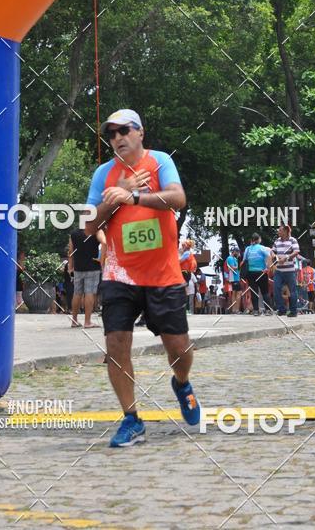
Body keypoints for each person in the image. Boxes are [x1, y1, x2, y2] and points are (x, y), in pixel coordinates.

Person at [84, 108, 200, 447]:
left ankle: (181, 382)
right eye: (111, 133)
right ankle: (131, 418)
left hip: (162, 274)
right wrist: (117, 195)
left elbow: (178, 199)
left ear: (140, 133)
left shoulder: (160, 161)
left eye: (124, 130)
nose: (117, 137)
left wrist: (134, 196)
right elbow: (88, 225)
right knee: (116, 344)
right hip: (119, 274)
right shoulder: (104, 174)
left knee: (178, 348)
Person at [68, 224, 106, 328]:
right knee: (89, 292)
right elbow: (104, 242)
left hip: (78, 267)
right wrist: (101, 260)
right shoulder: (96, 230)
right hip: (92, 267)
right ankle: (87, 322)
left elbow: (71, 251)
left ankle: (74, 321)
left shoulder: (74, 233)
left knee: (77, 293)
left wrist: (70, 267)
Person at [270, 224, 300, 317]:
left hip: (290, 270)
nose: (278, 231)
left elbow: (296, 251)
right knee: (276, 289)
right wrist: (274, 255)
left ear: (286, 231)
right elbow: (272, 251)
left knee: (292, 291)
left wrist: (286, 258)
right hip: (279, 270)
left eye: (280, 230)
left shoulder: (293, 240)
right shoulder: (277, 241)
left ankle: (293, 311)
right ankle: (281, 309)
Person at [241, 233, 272, 315]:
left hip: (250, 273)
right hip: (261, 273)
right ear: (259, 239)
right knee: (265, 292)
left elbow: (244, 260)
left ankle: (256, 310)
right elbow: (269, 256)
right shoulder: (262, 248)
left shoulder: (248, 249)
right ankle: (268, 310)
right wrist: (268, 268)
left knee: (254, 292)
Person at [224, 246, 241, 314]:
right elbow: (232, 268)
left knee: (234, 293)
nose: (238, 253)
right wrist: (239, 265)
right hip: (234, 278)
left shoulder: (234, 258)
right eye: (237, 252)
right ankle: (236, 309)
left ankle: (234, 309)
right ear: (234, 252)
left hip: (236, 277)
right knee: (238, 293)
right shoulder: (230, 258)